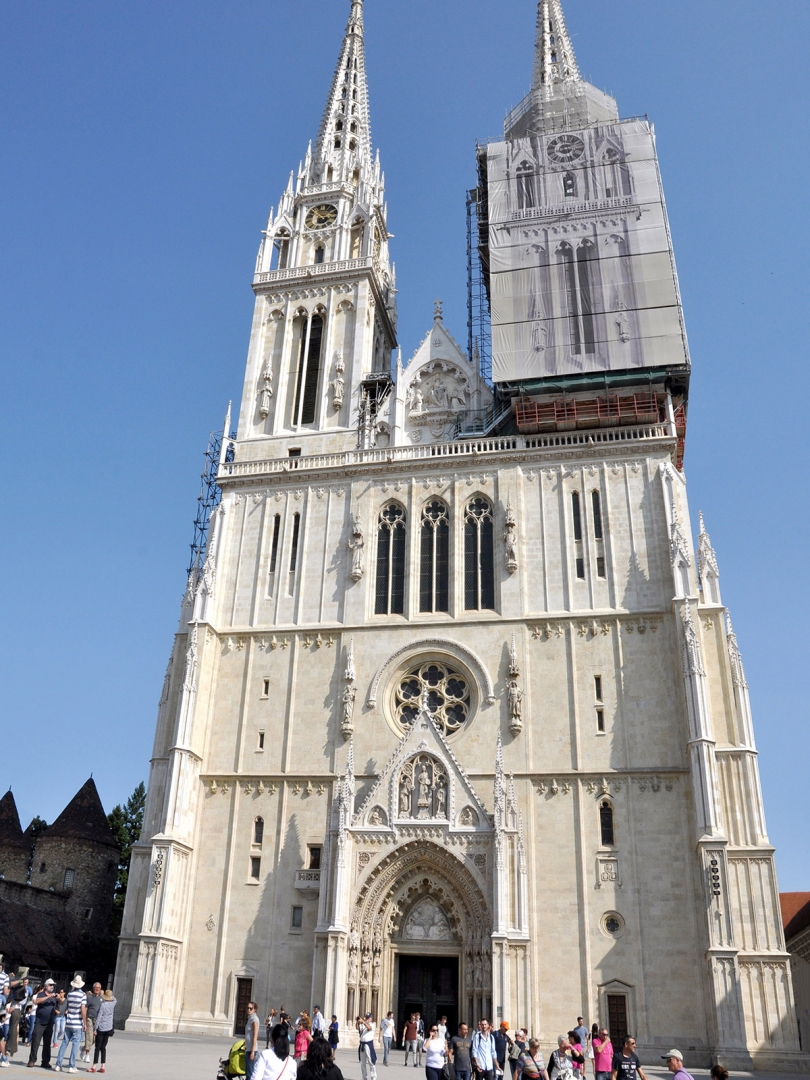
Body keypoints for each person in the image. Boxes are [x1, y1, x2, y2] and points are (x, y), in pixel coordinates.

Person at [55, 974, 87, 1073]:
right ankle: (72, 1065)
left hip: (68, 1021)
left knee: (64, 1043)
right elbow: (83, 1010)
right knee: (75, 1044)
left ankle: (58, 1064)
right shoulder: (83, 995)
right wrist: (84, 1023)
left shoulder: (69, 994)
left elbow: (68, 1007)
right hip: (77, 1022)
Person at [27, 979, 58, 1069]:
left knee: (47, 1043)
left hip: (49, 1023)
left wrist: (59, 997)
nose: (52, 986)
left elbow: (61, 1002)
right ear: (46, 986)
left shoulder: (54, 996)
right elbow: (36, 1001)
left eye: (53, 985)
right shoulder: (41, 994)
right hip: (40, 1022)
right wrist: (48, 997)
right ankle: (32, 1060)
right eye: (51, 985)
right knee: (35, 1042)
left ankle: (45, 1061)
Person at [89, 989, 115, 1074]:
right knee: (103, 1047)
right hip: (108, 1028)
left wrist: (95, 1028)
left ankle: (94, 1066)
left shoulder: (103, 1005)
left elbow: (99, 1017)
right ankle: (103, 1066)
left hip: (101, 1028)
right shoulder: (113, 1004)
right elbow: (115, 999)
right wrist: (111, 996)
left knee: (97, 1047)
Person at [82, 982, 103, 1062]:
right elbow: (85, 1009)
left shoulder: (102, 999)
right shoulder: (89, 998)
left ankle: (84, 1048)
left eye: (98, 988)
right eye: (95, 988)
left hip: (97, 1020)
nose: (97, 989)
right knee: (89, 1037)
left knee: (94, 1039)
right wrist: (84, 1020)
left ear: (100, 989)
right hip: (89, 1018)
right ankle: (87, 1055)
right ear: (93, 988)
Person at [357, 1013, 377, 1080]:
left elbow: (369, 1028)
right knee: (362, 1063)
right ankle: (364, 1077)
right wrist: (357, 1021)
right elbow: (358, 1028)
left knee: (371, 1061)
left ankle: (373, 1077)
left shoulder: (372, 1025)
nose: (367, 1019)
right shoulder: (362, 1025)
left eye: (368, 1018)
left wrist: (363, 1022)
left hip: (368, 1044)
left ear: (371, 1018)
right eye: (366, 1018)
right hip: (362, 1044)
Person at [245, 1002, 261, 1078]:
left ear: (255, 1009)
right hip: (248, 1048)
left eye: (251, 1008)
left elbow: (255, 1035)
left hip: (252, 1050)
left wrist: (252, 1052)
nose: (249, 1010)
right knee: (248, 1072)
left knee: (250, 1073)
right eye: (248, 1008)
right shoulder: (250, 1018)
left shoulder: (254, 1019)